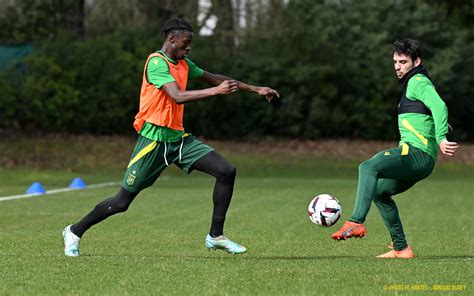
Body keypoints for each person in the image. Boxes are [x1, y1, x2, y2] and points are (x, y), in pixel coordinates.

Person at [62, 18, 279, 257]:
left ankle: (215, 235)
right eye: (186, 43)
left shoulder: (184, 63)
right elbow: (177, 96)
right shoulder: (157, 63)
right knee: (122, 202)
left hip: (178, 139)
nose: (188, 48)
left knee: (226, 171)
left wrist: (256, 89)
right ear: (171, 39)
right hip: (153, 142)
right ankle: (74, 231)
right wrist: (216, 92)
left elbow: (215, 77)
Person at [330, 38, 459, 258]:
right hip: (421, 161)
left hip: (416, 155)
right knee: (380, 192)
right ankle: (401, 249)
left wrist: (441, 138)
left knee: (367, 167)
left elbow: (439, 105)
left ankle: (355, 222)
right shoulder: (414, 83)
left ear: (416, 61)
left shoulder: (418, 81)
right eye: (395, 62)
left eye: (403, 62)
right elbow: (431, 110)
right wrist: (437, 123)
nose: (398, 67)